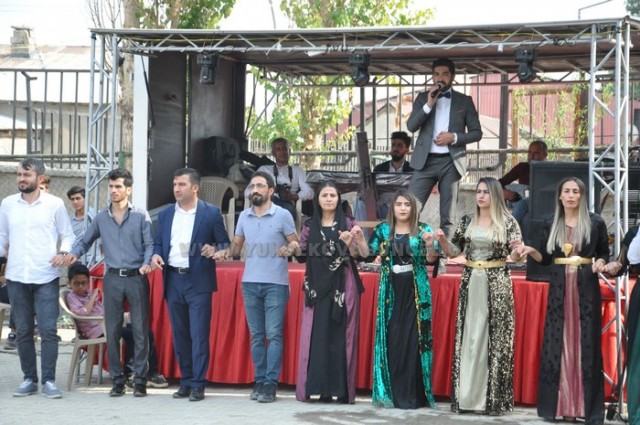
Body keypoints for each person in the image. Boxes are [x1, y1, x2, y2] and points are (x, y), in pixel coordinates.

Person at [515, 177, 608, 424]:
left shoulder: (596, 222)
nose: (571, 195)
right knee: (559, 343)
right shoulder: (550, 222)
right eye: (567, 191)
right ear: (560, 195)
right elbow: (545, 258)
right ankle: (560, 405)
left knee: (585, 344)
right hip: (559, 289)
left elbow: (604, 253)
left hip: (586, 288)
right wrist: (530, 250)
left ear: (582, 196)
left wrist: (600, 262)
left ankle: (585, 408)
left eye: (575, 191)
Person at [435, 177, 521, 415]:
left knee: (494, 338)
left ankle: (490, 400)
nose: (481, 196)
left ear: (495, 195)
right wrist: (442, 240)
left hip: (497, 283)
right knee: (470, 336)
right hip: (471, 280)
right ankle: (467, 398)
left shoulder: (508, 221)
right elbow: (455, 251)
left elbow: (517, 255)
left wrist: (518, 250)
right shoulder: (467, 220)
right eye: (478, 192)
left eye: (485, 192)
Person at [67, 168, 154, 398]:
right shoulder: (101, 218)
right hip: (112, 278)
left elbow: (150, 245)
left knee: (140, 330)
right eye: (111, 186)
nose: (113, 190)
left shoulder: (141, 215)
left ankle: (140, 380)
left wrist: (147, 263)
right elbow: (84, 241)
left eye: (118, 186)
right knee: (113, 330)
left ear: (128, 189)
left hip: (137, 277)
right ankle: (117, 380)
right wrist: (73, 253)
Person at [215, 170, 299, 403]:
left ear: (271, 190)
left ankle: (271, 384)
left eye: (260, 186)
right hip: (250, 283)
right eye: (252, 187)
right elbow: (236, 247)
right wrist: (223, 252)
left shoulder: (282, 214)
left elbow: (296, 243)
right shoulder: (244, 216)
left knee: (274, 335)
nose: (254, 190)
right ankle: (260, 380)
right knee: (257, 336)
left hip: (276, 284)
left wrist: (289, 248)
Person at [150, 167, 230, 402]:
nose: (177, 188)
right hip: (173, 279)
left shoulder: (211, 213)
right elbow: (158, 243)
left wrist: (216, 250)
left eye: (182, 184)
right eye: (175, 184)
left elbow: (225, 244)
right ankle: (185, 381)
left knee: (199, 334)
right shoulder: (165, 214)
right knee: (180, 334)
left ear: (195, 187)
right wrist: (155, 255)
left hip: (199, 282)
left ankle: (198, 383)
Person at [0, 157, 75, 399]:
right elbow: (2, 236)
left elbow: (68, 234)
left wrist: (63, 252)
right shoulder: (8, 204)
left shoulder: (54, 204)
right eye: (19, 175)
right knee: (22, 331)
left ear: (40, 178)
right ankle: (29, 379)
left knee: (48, 330)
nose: (22, 179)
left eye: (27, 175)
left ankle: (49, 381)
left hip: (45, 276)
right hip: (16, 276)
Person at [294, 181, 369, 404]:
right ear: (317, 200)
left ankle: (342, 391)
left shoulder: (349, 223)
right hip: (317, 287)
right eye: (324, 195)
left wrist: (352, 243)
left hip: (342, 287)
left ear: (338, 199)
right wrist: (292, 247)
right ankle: (320, 390)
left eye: (332, 196)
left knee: (341, 336)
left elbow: (361, 255)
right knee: (318, 336)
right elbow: (301, 255)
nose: (328, 199)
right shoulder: (309, 225)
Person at [407, 57, 482, 273]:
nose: (440, 77)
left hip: (451, 160)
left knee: (447, 215)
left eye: (445, 74)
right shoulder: (423, 98)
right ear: (432, 76)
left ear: (452, 76)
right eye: (436, 74)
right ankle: (409, 254)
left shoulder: (464, 101)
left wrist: (454, 137)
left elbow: (477, 132)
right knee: (410, 208)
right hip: (425, 161)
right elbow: (411, 126)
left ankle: (441, 261)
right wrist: (429, 104)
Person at [368, 189, 439, 409]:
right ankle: (393, 393)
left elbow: (431, 259)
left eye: (407, 204)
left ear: (413, 208)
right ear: (392, 207)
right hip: (391, 291)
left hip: (416, 290)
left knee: (414, 341)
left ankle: (414, 395)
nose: (403, 208)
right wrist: (357, 240)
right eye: (399, 204)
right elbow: (366, 253)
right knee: (393, 338)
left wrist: (430, 244)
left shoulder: (424, 229)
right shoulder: (382, 230)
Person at [64, 262, 168, 389]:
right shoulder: (72, 297)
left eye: (84, 283)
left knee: (145, 332)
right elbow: (84, 312)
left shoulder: (88, 293)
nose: (81, 287)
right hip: (96, 330)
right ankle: (130, 373)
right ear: (69, 283)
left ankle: (151, 372)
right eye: (76, 283)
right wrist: (94, 296)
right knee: (131, 335)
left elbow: (103, 311)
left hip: (105, 325)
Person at [604, 227, 640, 425]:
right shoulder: (634, 233)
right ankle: (637, 416)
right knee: (637, 356)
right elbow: (620, 264)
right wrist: (610, 266)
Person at [244, 137, 314, 220]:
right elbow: (247, 191)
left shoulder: (297, 170)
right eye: (278, 149)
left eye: (284, 149)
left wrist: (293, 196)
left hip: (287, 204)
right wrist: (267, 192)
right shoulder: (264, 169)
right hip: (267, 202)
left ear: (289, 151)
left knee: (287, 211)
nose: (282, 152)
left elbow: (309, 192)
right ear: (273, 153)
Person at [499, 140, 548, 244]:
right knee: (525, 220)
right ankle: (525, 249)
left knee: (522, 203)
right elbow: (499, 183)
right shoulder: (522, 167)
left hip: (544, 206)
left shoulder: (550, 169)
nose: (531, 156)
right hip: (527, 209)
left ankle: (506, 234)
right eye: (529, 152)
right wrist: (505, 192)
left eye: (536, 153)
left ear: (545, 155)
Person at [373, 131, 414, 218]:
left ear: (407, 149)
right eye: (393, 145)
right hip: (381, 208)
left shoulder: (412, 170)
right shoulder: (379, 169)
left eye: (399, 145)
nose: (395, 148)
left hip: (402, 208)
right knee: (359, 201)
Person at [67, 186, 98, 265]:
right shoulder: (69, 220)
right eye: (72, 199)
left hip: (94, 260)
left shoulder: (96, 216)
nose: (75, 202)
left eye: (78, 198)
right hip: (76, 260)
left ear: (85, 198)